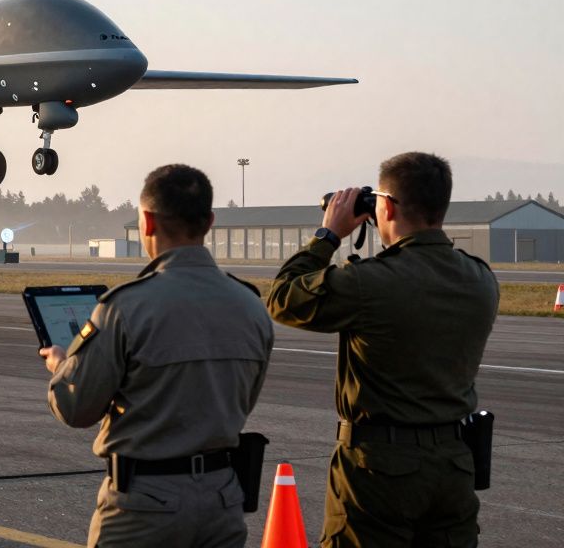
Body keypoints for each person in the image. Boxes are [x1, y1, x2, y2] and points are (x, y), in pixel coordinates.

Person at [265, 152, 498, 547]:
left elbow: (284, 299)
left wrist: (328, 236)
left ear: (385, 205)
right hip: (454, 464)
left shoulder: (370, 282)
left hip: (379, 469)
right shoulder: (479, 278)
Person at [40, 164, 273, 547]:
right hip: (222, 499)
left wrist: (62, 367)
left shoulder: (125, 307)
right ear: (209, 221)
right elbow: (242, 401)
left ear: (147, 222)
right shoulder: (249, 305)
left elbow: (76, 408)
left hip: (146, 505)